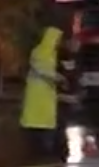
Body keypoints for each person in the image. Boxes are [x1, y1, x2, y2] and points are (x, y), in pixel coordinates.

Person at [20, 25, 66, 159]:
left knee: (47, 122)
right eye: (57, 39)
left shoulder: (53, 53)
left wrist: (57, 77)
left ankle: (44, 153)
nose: (59, 42)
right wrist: (56, 76)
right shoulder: (38, 52)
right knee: (37, 124)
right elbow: (40, 69)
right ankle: (39, 153)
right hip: (37, 94)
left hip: (47, 94)